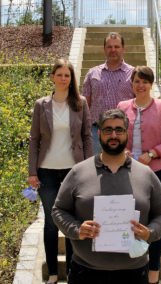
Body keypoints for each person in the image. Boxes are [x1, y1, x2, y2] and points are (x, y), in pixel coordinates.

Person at [52, 108, 161, 284]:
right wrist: (76, 229)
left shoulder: (146, 174)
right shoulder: (79, 172)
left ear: (126, 134)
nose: (113, 135)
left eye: (119, 130)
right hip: (85, 272)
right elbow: (59, 210)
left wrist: (150, 232)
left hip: (134, 273)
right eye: (108, 129)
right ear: (99, 133)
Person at [28, 58, 93, 284]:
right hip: (46, 171)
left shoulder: (81, 103)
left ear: (71, 79)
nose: (63, 78)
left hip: (73, 172)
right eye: (60, 74)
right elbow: (34, 139)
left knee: (73, 221)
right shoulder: (41, 104)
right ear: (52, 77)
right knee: (50, 222)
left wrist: (88, 167)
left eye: (67, 75)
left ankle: (75, 272)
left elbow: (86, 137)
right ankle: (54, 273)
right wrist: (32, 171)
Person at [117, 66, 161, 284]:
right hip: (128, 171)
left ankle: (153, 274)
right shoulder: (122, 106)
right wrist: (122, 152)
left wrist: (153, 153)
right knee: (129, 218)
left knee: (155, 222)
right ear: (131, 84)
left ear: (151, 84)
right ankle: (130, 267)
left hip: (156, 172)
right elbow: (117, 133)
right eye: (136, 81)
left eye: (144, 81)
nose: (140, 85)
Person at [82, 32, 135, 153]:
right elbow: (85, 105)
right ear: (104, 49)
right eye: (109, 47)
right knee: (97, 169)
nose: (113, 50)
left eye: (116, 46)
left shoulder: (133, 74)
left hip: (123, 132)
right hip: (97, 133)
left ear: (123, 49)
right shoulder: (92, 74)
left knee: (123, 170)